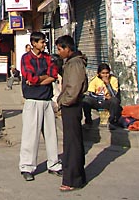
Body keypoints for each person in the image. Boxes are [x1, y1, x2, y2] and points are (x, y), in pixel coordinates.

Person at [19, 31, 62, 182]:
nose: (44, 44)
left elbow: (53, 74)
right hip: (32, 101)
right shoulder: (26, 58)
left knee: (51, 135)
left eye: (44, 42)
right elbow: (30, 77)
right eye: (42, 42)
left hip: (47, 100)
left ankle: (54, 164)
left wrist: (39, 80)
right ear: (34, 43)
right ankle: (27, 166)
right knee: (31, 135)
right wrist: (44, 78)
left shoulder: (48, 58)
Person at [56, 35, 88, 192]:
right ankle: (78, 177)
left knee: (72, 144)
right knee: (73, 141)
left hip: (72, 106)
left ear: (68, 48)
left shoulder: (75, 63)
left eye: (60, 49)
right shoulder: (72, 62)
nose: (59, 52)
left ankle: (72, 179)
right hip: (71, 105)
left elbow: (73, 88)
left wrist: (64, 102)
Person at [82, 62, 122, 126]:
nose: (105, 75)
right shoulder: (95, 80)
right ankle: (88, 121)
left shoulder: (113, 80)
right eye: (103, 73)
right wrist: (103, 97)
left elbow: (114, 95)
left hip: (107, 102)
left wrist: (108, 84)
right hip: (97, 101)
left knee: (115, 100)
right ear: (99, 73)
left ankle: (112, 122)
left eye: (107, 73)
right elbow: (91, 94)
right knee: (86, 100)